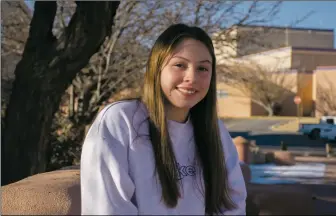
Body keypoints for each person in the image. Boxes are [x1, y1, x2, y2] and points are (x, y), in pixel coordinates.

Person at [80, 23, 247, 215]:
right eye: (179, 65)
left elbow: (232, 203)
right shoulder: (121, 121)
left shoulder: (214, 130)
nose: (191, 77)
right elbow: (108, 208)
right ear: (156, 68)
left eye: (202, 68)